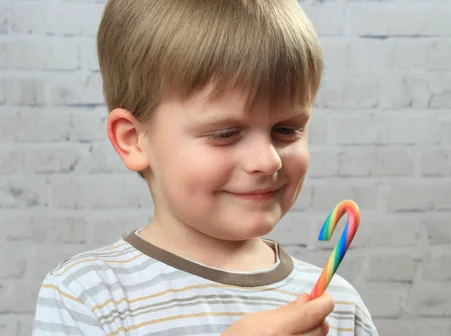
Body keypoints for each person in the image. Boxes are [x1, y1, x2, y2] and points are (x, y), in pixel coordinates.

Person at [32, 0, 378, 335]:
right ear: (134, 140)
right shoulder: (87, 295)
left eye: (286, 130)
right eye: (226, 133)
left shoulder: (340, 307)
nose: (268, 160)